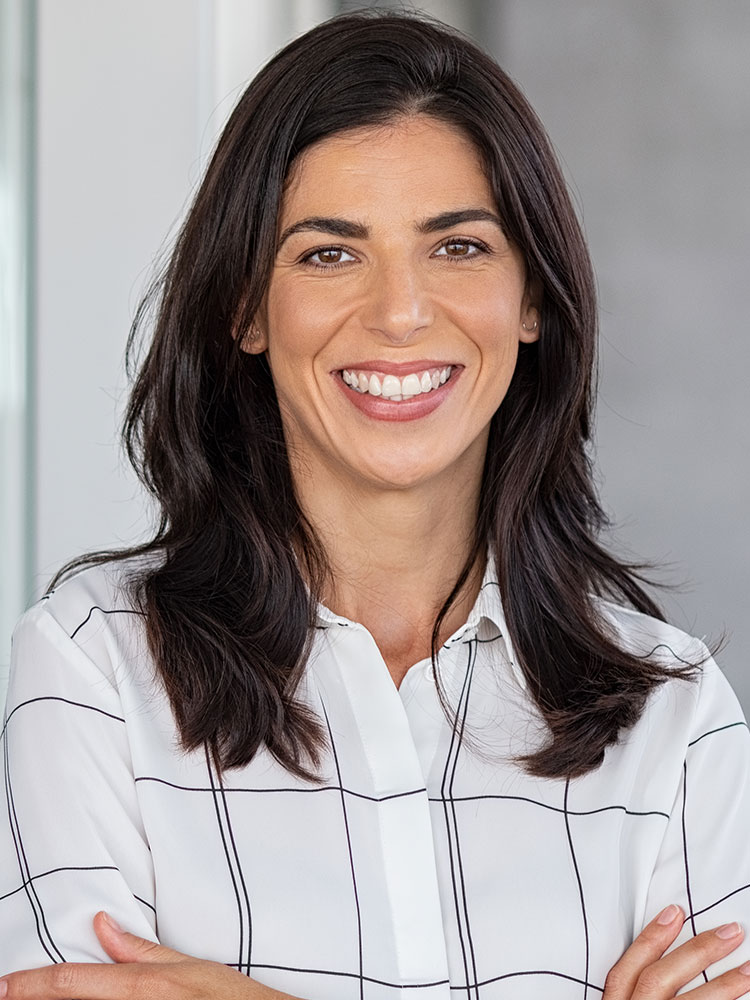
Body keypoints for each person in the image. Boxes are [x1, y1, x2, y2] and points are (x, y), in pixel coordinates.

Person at [1, 10, 749, 1000]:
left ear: (532, 299)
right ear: (246, 309)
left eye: (459, 248)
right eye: (329, 254)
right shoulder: (91, 671)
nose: (399, 312)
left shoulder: (675, 715)